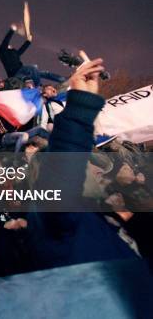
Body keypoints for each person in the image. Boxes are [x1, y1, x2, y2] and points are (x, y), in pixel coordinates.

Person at [29, 56, 142, 269]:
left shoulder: (100, 221)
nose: (100, 170)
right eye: (87, 165)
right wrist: (80, 105)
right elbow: (64, 167)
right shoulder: (58, 219)